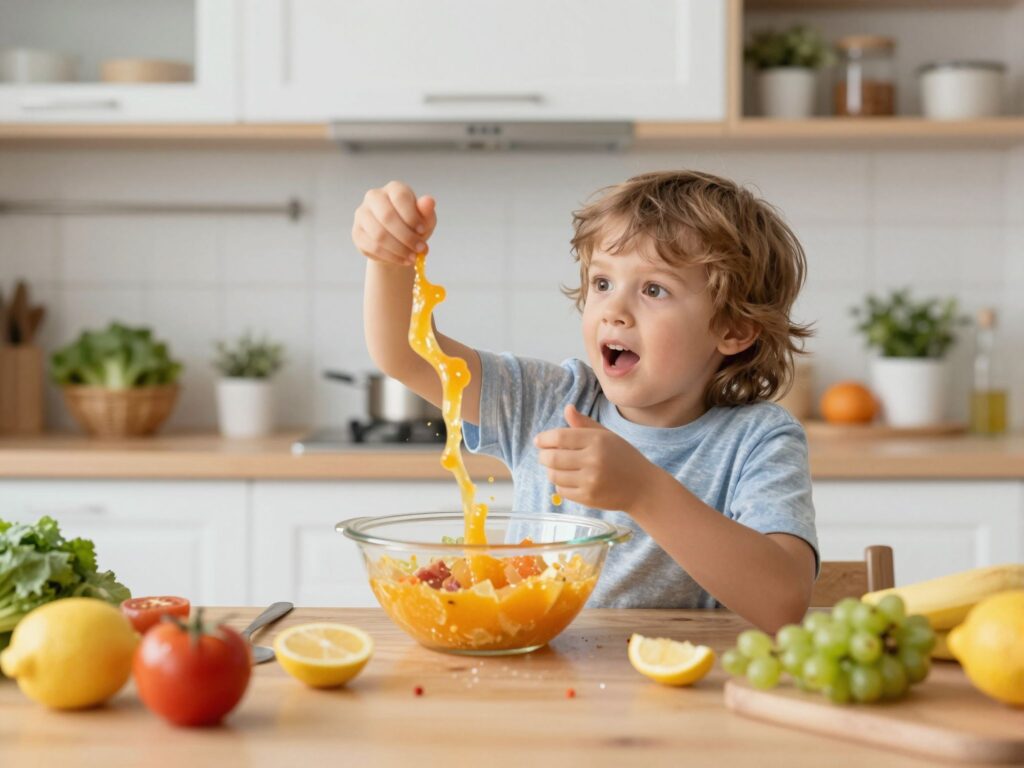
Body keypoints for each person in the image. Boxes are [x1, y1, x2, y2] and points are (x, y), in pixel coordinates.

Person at [352, 171, 817, 632]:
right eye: (601, 283)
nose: (614, 310)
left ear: (732, 329)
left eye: (654, 289)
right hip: (541, 679)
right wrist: (389, 257)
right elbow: (405, 351)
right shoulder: (548, 400)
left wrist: (642, 490)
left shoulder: (759, 440)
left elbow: (783, 603)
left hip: (675, 691)